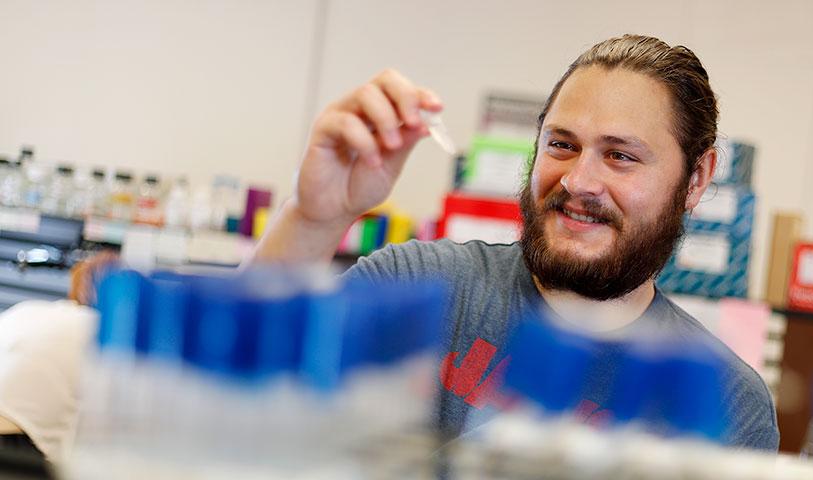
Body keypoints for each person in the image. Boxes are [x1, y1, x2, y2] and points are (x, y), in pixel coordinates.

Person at [252, 34, 779, 450]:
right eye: (561, 145)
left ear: (696, 179)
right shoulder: (421, 287)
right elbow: (246, 385)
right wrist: (315, 216)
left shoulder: (729, 404)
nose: (578, 180)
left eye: (619, 155)